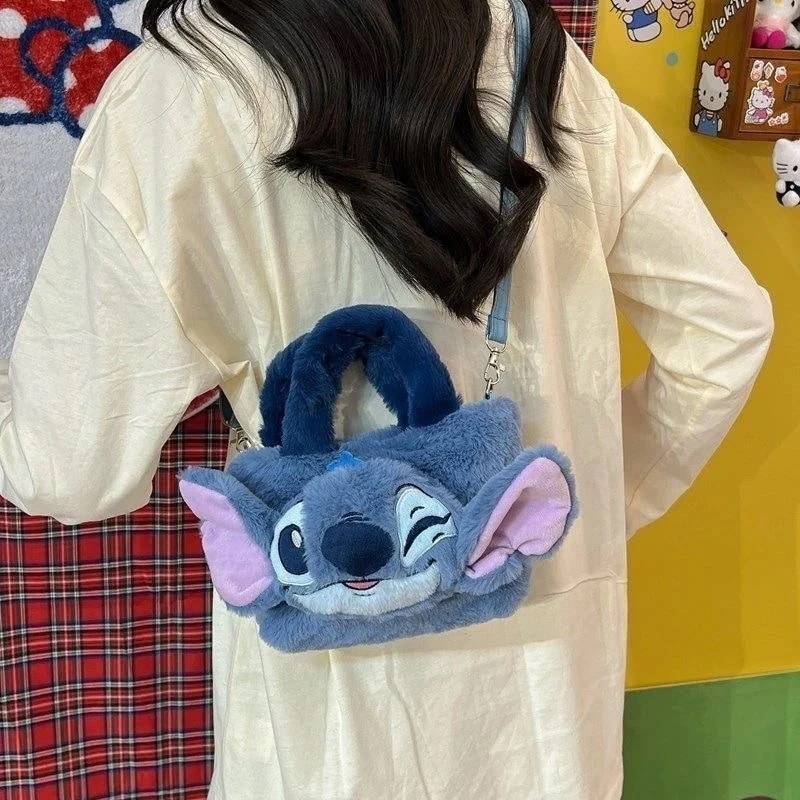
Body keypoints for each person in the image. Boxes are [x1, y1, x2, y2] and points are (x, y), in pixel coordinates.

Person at [0, 0, 774, 797]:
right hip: (544, 707)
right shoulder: (528, 49)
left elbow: (64, 468)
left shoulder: (177, 88)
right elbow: (726, 332)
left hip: (320, 715)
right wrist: (553, 512)